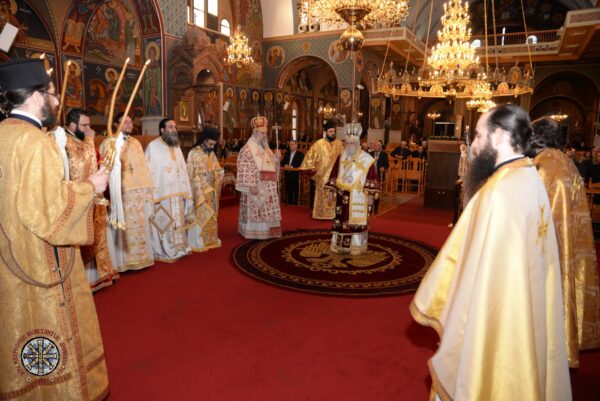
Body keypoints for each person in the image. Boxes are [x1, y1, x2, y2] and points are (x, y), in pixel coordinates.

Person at [410, 104, 571, 400]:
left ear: (498, 136)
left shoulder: (499, 192)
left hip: (495, 312)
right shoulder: (531, 177)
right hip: (523, 304)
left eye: (478, 136)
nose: (474, 146)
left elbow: (467, 265)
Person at [0, 58, 110, 400]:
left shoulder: (3, 134)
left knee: (18, 325)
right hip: (40, 263)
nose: (57, 100)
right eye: (52, 93)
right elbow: (46, 212)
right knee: (49, 329)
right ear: (36, 96)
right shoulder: (36, 142)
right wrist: (90, 187)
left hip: (9, 258)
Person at [528, 117, 600, 368]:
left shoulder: (542, 165)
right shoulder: (566, 162)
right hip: (569, 241)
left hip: (549, 247)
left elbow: (533, 213)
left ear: (536, 137)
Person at [63, 108, 119, 291]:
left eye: (89, 125)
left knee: (98, 234)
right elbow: (79, 165)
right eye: (85, 125)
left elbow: (95, 162)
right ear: (72, 125)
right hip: (79, 198)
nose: (89, 129)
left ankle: (101, 274)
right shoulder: (65, 141)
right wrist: (89, 140)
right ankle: (85, 281)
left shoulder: (80, 139)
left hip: (94, 196)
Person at [100, 112, 155, 272]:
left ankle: (141, 258)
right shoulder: (109, 143)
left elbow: (143, 167)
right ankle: (122, 261)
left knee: (139, 225)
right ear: (116, 125)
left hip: (138, 192)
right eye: (125, 122)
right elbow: (106, 168)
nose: (129, 124)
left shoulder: (136, 142)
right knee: (123, 226)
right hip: (121, 192)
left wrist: (147, 189)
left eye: (131, 121)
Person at [325, 123, 380, 255]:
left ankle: (356, 246)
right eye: (347, 142)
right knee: (341, 219)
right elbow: (333, 174)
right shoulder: (341, 156)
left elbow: (372, 178)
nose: (349, 145)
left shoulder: (367, 159)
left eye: (352, 143)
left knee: (355, 222)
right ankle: (339, 245)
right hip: (341, 194)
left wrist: (371, 195)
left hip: (358, 195)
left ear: (357, 143)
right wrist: (331, 192)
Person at [145, 118, 194, 262]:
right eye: (171, 127)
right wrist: (152, 194)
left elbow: (182, 169)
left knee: (178, 222)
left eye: (175, 127)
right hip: (162, 195)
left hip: (177, 193)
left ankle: (180, 247)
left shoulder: (176, 146)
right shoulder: (153, 147)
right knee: (164, 223)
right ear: (162, 130)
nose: (174, 130)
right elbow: (148, 171)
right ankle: (165, 249)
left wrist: (185, 189)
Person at [236, 116, 282, 239]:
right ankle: (255, 233)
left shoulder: (265, 148)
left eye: (266, 133)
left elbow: (272, 165)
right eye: (262, 133)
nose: (265, 136)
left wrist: (277, 158)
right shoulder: (247, 149)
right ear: (255, 132)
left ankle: (267, 232)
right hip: (257, 186)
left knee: (267, 209)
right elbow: (244, 167)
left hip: (269, 187)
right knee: (257, 209)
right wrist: (251, 185)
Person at [187, 126, 224, 252]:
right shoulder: (193, 153)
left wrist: (216, 175)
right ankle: (197, 241)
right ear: (204, 140)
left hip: (211, 192)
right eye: (210, 144)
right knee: (200, 216)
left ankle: (210, 239)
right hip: (200, 192)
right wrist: (203, 180)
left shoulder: (211, 154)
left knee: (211, 216)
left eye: (214, 144)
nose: (212, 147)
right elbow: (190, 174)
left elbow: (217, 170)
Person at [300, 119, 343, 219]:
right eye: (330, 131)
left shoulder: (339, 144)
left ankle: (335, 214)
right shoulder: (318, 144)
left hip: (336, 176)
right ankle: (321, 214)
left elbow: (344, 158)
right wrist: (313, 171)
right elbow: (309, 158)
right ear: (326, 132)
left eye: (334, 131)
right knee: (322, 196)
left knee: (335, 195)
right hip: (322, 175)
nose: (333, 133)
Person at [281, 140, 304, 205]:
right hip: (287, 174)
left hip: (296, 175)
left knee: (295, 190)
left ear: (296, 146)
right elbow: (282, 163)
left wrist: (292, 166)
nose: (291, 146)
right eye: (290, 144)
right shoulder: (287, 154)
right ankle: (289, 203)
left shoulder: (300, 155)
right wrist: (285, 165)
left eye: (293, 144)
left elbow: (301, 164)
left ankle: (295, 204)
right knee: (288, 190)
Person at [369, 140, 389, 214]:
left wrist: (383, 167)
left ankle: (376, 208)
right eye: (375, 145)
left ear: (380, 147)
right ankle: (370, 208)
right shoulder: (370, 154)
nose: (376, 147)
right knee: (370, 192)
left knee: (376, 193)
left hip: (379, 176)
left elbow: (387, 164)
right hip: (370, 176)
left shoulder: (384, 154)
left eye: (378, 146)